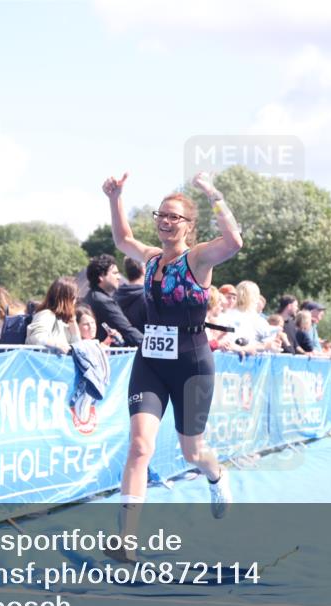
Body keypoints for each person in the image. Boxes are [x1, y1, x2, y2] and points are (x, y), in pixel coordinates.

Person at [103, 169, 243, 560]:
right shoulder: (150, 259)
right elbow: (122, 240)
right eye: (160, 215)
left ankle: (217, 475)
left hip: (192, 363)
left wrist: (213, 192)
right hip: (150, 360)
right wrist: (115, 198)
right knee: (139, 445)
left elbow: (233, 241)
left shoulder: (197, 259)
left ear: (188, 225)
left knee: (192, 452)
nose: (165, 222)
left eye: (173, 217)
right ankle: (127, 540)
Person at [82, 254, 143, 347]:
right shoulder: (102, 301)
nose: (118, 277)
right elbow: (127, 330)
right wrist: (150, 346)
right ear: (101, 276)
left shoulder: (91, 296)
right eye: (114, 273)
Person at [26, 276, 81, 352]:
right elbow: (36, 338)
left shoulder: (66, 320)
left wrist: (73, 325)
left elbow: (77, 346)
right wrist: (56, 345)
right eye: (75, 297)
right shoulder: (46, 315)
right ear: (67, 299)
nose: (75, 301)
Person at [115, 257, 147, 333]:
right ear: (143, 269)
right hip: (143, 342)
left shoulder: (115, 296)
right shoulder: (148, 297)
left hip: (121, 343)